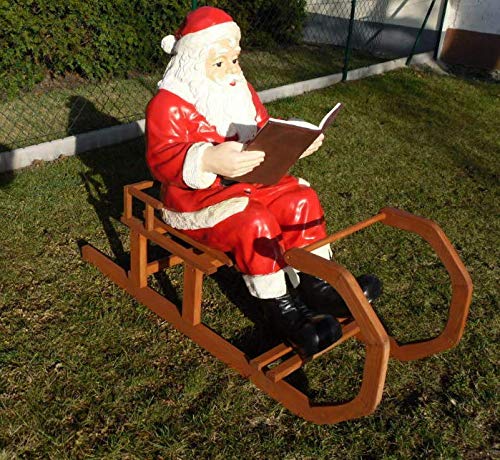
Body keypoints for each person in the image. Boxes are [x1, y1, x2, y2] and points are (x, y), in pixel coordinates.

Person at [145, 7, 381, 360]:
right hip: (198, 195)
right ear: (193, 61)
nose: (231, 72)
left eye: (235, 61)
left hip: (253, 181)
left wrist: (295, 142)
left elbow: (263, 127)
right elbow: (162, 159)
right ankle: (280, 308)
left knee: (301, 198)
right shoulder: (168, 106)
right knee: (253, 221)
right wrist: (208, 159)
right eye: (219, 63)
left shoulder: (241, 90)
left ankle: (316, 282)